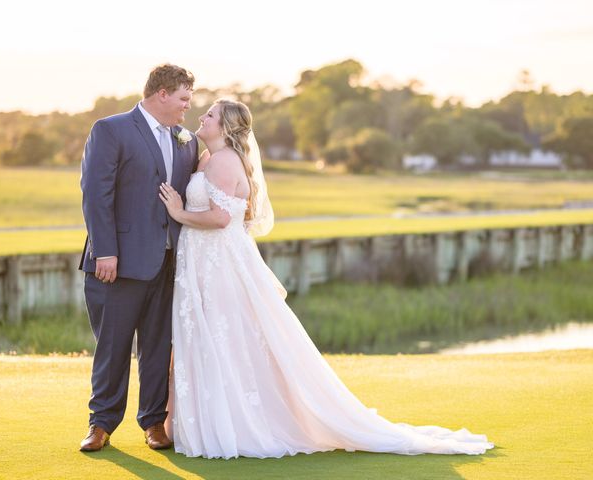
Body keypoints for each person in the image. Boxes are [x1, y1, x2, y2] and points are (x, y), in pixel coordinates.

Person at [158, 99, 495, 459]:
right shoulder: (208, 158)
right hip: (206, 263)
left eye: (209, 114)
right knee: (208, 335)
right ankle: (207, 419)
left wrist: (179, 212)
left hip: (219, 265)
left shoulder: (225, 161)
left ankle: (239, 425)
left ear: (225, 127)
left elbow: (222, 219)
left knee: (223, 336)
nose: (202, 117)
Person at [78, 64, 199, 452]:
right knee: (112, 346)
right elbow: (96, 194)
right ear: (161, 94)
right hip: (117, 263)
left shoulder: (187, 141)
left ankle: (153, 422)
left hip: (167, 265)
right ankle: (101, 424)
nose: (187, 108)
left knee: (158, 345)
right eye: (183, 99)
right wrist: (106, 251)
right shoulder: (111, 129)